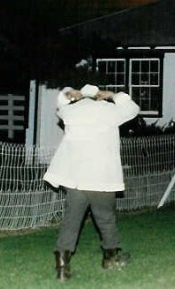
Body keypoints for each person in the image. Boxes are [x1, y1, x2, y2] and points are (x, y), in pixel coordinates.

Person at [43, 83, 140, 281]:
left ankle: (62, 267)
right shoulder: (110, 111)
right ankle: (109, 259)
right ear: (98, 96)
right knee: (105, 218)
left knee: (71, 220)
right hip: (102, 176)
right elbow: (133, 108)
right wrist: (113, 95)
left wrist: (68, 94)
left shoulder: (71, 112)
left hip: (77, 176)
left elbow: (60, 104)